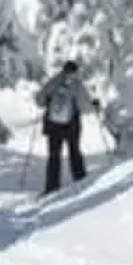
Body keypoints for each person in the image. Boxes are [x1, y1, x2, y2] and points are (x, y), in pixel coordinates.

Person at [35, 60, 97, 194]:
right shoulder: (77, 85)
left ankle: (51, 187)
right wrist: (95, 106)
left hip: (53, 126)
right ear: (76, 71)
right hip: (71, 127)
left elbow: (39, 100)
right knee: (74, 153)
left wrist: (47, 101)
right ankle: (81, 181)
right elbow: (85, 106)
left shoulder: (54, 81)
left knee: (54, 156)